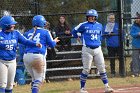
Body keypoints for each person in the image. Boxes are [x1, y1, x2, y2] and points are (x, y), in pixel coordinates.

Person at [72, 9, 114, 93]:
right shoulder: (83, 25)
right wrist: (77, 37)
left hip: (98, 49)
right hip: (87, 49)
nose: (90, 18)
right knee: (86, 69)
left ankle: (107, 87)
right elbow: (74, 31)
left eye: (92, 17)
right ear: (87, 17)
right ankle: (82, 88)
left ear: (96, 17)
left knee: (102, 68)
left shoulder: (99, 25)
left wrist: (98, 42)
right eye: (89, 17)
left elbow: (100, 36)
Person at [0, 15, 42, 93]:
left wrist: (35, 44)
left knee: (9, 85)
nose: (14, 25)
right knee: (2, 84)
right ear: (6, 25)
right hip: (1, 61)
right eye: (12, 24)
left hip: (12, 61)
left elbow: (25, 41)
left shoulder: (16, 33)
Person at [23, 15, 59, 93]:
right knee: (40, 79)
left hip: (26, 56)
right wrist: (55, 41)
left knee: (34, 79)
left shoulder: (27, 32)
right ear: (42, 23)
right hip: (37, 56)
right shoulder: (46, 31)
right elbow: (52, 45)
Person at [102, 13, 120, 77]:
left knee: (120, 59)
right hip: (110, 46)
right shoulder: (105, 26)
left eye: (113, 18)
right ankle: (113, 72)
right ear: (108, 19)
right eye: (110, 18)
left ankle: (121, 72)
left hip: (119, 45)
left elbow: (122, 34)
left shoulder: (118, 25)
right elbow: (103, 36)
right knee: (112, 60)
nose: (112, 19)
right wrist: (107, 34)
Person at [130, 12, 140, 77]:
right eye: (137, 18)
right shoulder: (134, 26)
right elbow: (132, 34)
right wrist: (138, 33)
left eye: (138, 18)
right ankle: (135, 72)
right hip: (135, 44)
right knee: (135, 58)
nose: (138, 19)